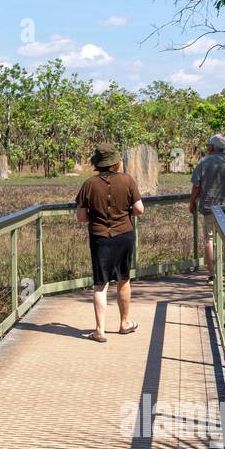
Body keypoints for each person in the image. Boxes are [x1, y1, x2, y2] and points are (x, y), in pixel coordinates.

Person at [75, 142, 145, 342]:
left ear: (97, 164)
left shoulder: (89, 184)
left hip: (100, 238)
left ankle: (100, 330)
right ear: (115, 163)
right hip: (124, 235)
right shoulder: (127, 180)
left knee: (100, 285)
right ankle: (124, 323)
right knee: (123, 279)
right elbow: (139, 209)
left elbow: (81, 217)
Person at [188, 133, 225, 281]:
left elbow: (196, 186)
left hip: (210, 208)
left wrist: (192, 202)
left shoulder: (204, 162)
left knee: (209, 240)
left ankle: (211, 274)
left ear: (212, 147)